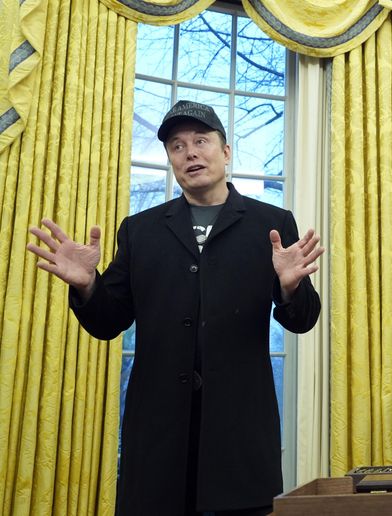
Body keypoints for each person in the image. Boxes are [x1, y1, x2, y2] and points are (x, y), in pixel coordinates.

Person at [27, 100, 324, 515]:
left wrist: (291, 289)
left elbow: (303, 320)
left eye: (201, 141)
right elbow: (109, 321)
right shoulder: (140, 230)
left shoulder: (270, 224)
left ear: (226, 151)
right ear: (170, 159)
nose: (190, 153)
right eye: (177, 146)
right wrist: (88, 285)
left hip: (240, 438)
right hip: (158, 440)